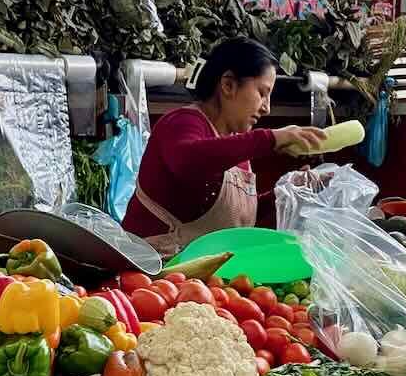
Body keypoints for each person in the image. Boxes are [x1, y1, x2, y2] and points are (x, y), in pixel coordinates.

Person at [122, 37, 326, 255]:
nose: (267, 108)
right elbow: (187, 161)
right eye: (262, 93)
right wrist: (271, 138)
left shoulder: (239, 147)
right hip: (148, 275)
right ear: (228, 85)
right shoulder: (182, 122)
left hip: (204, 282)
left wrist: (286, 193)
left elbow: (234, 220)